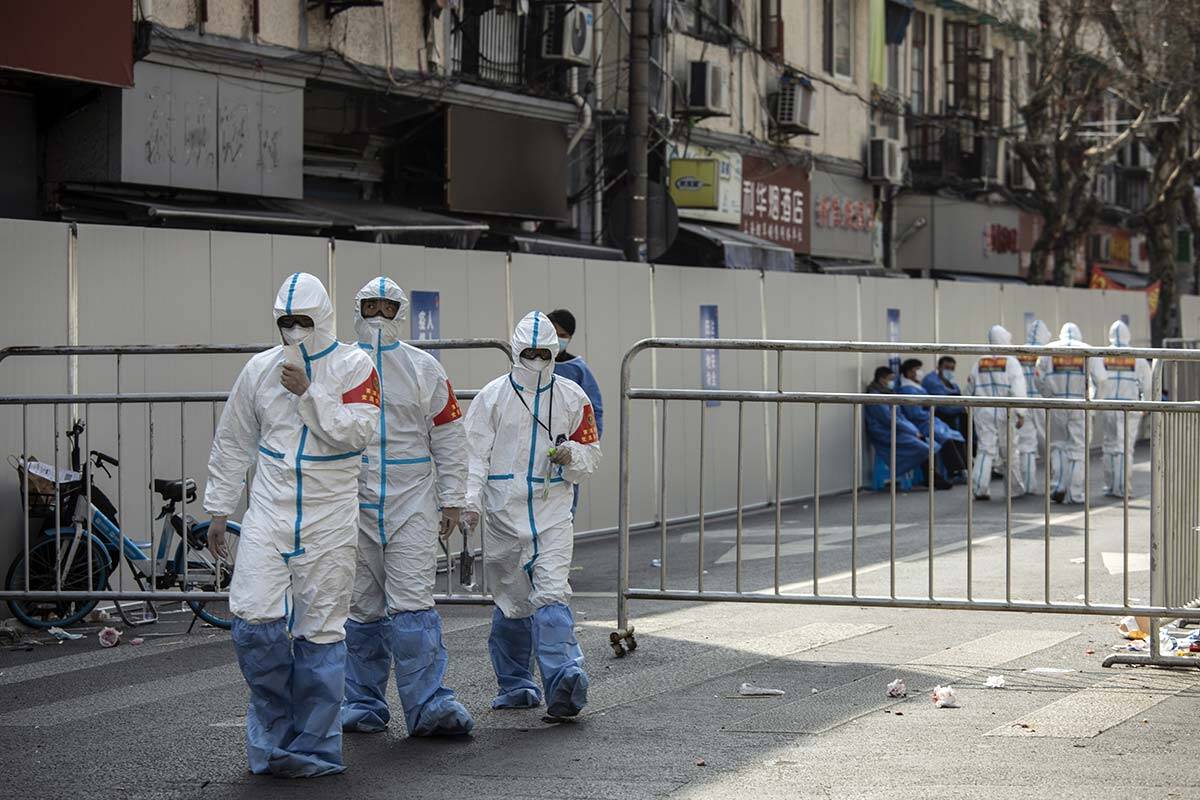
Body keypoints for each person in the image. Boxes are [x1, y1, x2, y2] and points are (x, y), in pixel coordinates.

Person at [204, 273, 380, 778]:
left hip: (329, 515)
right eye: (286, 322)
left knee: (321, 631)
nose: (294, 331)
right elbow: (233, 438)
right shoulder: (259, 370)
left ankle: (315, 747)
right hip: (269, 510)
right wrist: (219, 509)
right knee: (253, 619)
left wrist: (309, 394)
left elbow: (357, 433)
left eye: (303, 321)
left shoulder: (353, 365)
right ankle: (276, 733)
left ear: (322, 319)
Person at [340, 277, 474, 738]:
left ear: (400, 311)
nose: (378, 314)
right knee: (361, 606)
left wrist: (453, 497)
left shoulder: (423, 368)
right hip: (352, 498)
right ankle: (361, 703)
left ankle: (428, 706)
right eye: (370, 305)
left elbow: (450, 434)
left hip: (411, 496)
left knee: (413, 603)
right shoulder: (338, 364)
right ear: (358, 307)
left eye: (387, 306)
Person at [463, 311, 601, 718]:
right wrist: (469, 501)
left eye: (545, 352)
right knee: (512, 600)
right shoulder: (492, 396)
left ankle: (564, 680)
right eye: (530, 352)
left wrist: (571, 454)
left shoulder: (574, 397)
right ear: (516, 349)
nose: (537, 360)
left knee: (552, 592)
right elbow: (474, 455)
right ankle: (516, 683)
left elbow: (591, 453)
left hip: (552, 509)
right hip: (503, 513)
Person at [1037, 322, 1108, 504]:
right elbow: (1100, 379)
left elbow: (1037, 377)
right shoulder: (1087, 350)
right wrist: (1093, 402)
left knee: (1058, 446)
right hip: (1080, 404)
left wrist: (1049, 396)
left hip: (1056, 403)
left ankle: (1058, 485)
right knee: (1078, 449)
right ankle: (1076, 494)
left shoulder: (1048, 350)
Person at [547, 308, 603, 518]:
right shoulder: (530, 366)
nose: (557, 339)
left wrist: (581, 450)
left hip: (566, 451)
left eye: (563, 336)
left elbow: (593, 412)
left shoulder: (577, 369)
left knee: (562, 513)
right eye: (552, 332)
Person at [967, 325, 1027, 500]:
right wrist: (1021, 412)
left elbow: (970, 387)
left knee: (985, 449)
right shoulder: (1011, 361)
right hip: (1005, 410)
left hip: (983, 409)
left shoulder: (979, 361)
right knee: (1009, 450)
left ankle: (979, 488)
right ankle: (1014, 489)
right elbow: (1018, 389)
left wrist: (969, 408)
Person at [864, 366, 949, 488]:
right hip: (884, 432)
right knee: (923, 447)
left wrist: (913, 430)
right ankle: (933, 480)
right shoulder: (875, 396)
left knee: (931, 445)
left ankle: (932, 478)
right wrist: (912, 431)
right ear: (881, 379)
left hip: (898, 430)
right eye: (890, 379)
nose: (892, 382)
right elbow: (889, 419)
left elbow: (900, 417)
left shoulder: (888, 393)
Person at [1097, 320, 1151, 497]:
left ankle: (1109, 486)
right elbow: (1148, 384)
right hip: (1130, 407)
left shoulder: (1102, 356)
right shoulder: (1138, 357)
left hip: (1108, 407)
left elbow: (1095, 380)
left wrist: (1097, 402)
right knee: (1125, 448)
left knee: (1109, 445)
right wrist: (1147, 404)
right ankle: (1122, 488)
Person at [897, 359, 966, 483]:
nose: (919, 372)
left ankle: (963, 468)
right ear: (908, 372)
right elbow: (914, 413)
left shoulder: (916, 387)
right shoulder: (908, 389)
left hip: (929, 420)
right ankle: (956, 470)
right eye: (916, 370)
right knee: (945, 438)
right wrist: (930, 412)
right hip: (920, 423)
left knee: (956, 435)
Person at [1016, 319, 1051, 493]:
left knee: (1026, 445)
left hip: (1023, 401)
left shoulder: (1019, 352)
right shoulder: (1048, 352)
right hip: (1042, 401)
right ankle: (1056, 481)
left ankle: (1028, 485)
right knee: (1051, 442)